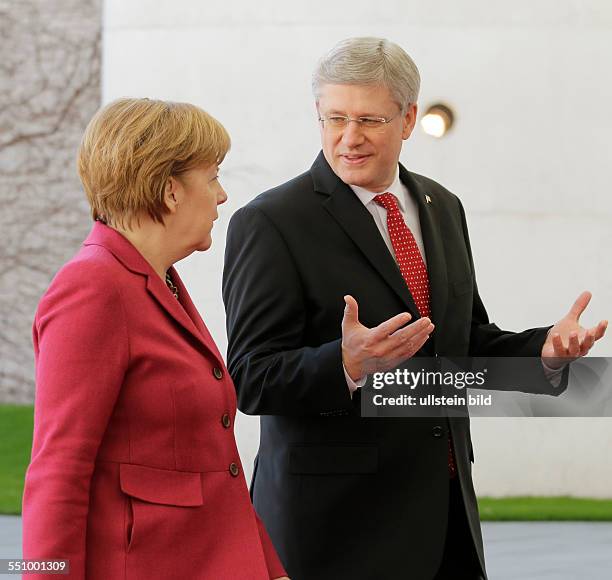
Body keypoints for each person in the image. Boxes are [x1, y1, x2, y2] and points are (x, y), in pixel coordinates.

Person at [222, 38, 608, 580]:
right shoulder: (271, 222)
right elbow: (251, 378)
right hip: (333, 531)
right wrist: (347, 364)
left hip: (446, 515)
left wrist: (542, 351)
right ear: (317, 113)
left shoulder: (442, 207)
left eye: (369, 120)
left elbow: (463, 341)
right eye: (335, 118)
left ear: (408, 119)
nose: (348, 138)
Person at [22, 98, 288, 580]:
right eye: (212, 177)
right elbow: (58, 468)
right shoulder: (93, 288)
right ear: (169, 190)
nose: (222, 195)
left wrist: (271, 569)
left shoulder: (160, 282)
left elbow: (216, 466)